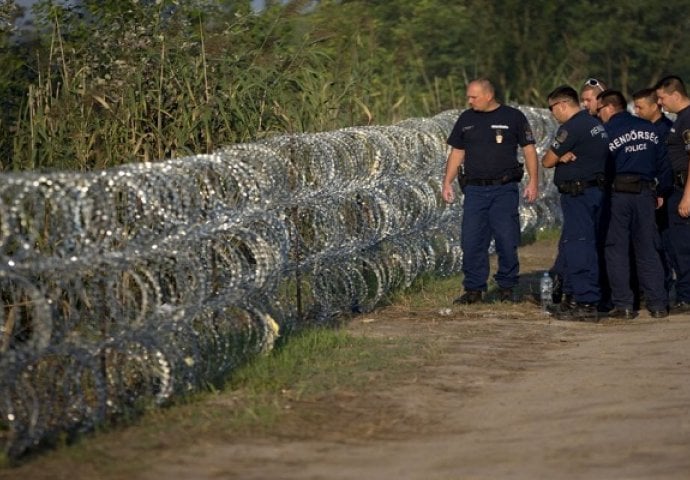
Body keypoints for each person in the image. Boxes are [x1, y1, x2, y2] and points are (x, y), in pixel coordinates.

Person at [442, 78, 539, 304]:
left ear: (488, 95)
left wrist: (534, 181)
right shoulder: (466, 119)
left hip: (503, 189)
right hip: (475, 190)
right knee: (472, 241)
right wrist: (447, 181)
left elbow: (529, 150)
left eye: (473, 97)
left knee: (506, 238)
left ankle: (507, 286)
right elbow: (457, 152)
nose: (469, 101)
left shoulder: (513, 117)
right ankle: (474, 289)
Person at [596, 89, 672, 319]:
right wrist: (661, 191)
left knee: (616, 249)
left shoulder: (606, 132)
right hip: (645, 193)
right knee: (648, 248)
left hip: (617, 194)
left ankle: (624, 305)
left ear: (609, 107)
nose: (598, 115)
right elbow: (664, 165)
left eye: (599, 110)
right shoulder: (650, 128)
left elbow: (601, 167)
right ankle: (658, 305)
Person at [541, 85, 609, 321]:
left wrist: (560, 155)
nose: (552, 114)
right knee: (579, 245)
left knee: (579, 246)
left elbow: (547, 161)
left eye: (552, 108)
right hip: (593, 191)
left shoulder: (572, 127)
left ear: (562, 104)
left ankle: (586, 302)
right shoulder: (594, 124)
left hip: (579, 195)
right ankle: (573, 297)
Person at [632, 87, 675, 301]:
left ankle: (665, 288)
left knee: (663, 244)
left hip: (664, 194)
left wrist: (661, 192)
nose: (637, 111)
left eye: (640, 107)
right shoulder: (642, 129)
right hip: (647, 194)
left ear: (655, 105)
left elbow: (667, 167)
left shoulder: (665, 130)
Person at [655, 75, 690, 313]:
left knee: (682, 247)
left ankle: (686, 297)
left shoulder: (687, 120)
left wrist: (687, 196)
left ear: (675, 94)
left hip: (684, 190)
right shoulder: (680, 120)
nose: (659, 103)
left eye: (662, 97)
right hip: (676, 189)